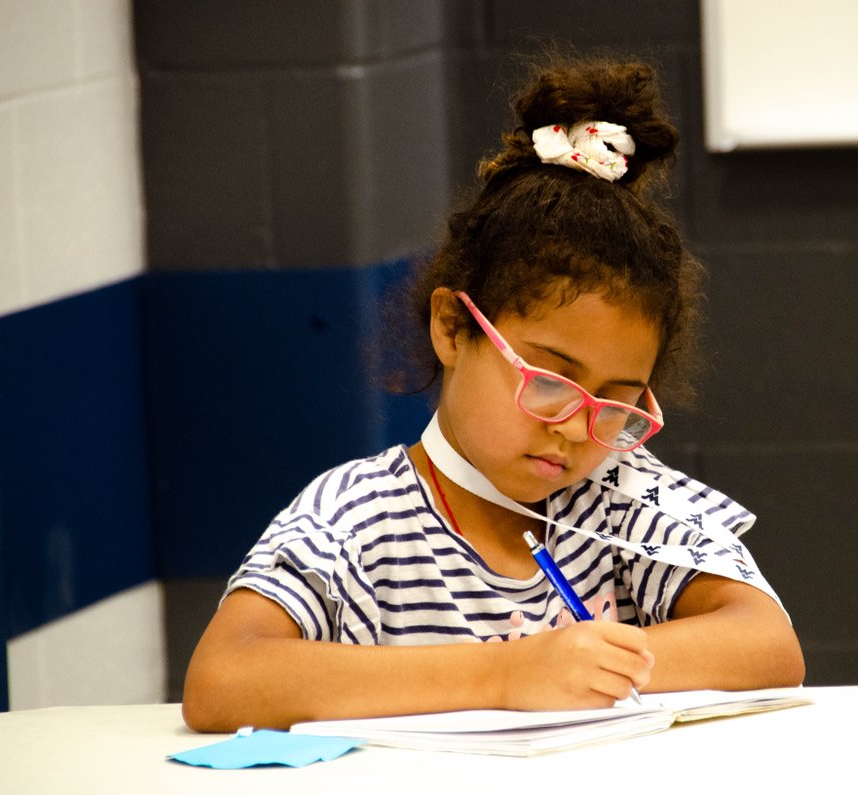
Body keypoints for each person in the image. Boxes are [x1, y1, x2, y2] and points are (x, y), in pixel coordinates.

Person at [182, 55, 804, 733]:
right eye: (547, 381)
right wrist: (508, 673)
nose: (574, 429)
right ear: (453, 328)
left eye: (615, 405)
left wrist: (592, 663)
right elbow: (222, 679)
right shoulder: (354, 519)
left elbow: (768, 643)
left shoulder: (624, 496)